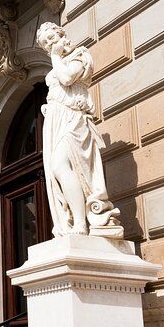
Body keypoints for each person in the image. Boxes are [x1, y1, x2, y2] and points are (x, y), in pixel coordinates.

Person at [36, 22, 122, 238]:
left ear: (61, 34)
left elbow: (67, 78)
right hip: (56, 119)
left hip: (73, 118)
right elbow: (61, 88)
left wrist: (55, 56)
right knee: (56, 170)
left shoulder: (80, 55)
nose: (50, 43)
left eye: (52, 37)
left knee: (60, 165)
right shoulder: (61, 61)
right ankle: (74, 221)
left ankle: (81, 225)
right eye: (46, 43)